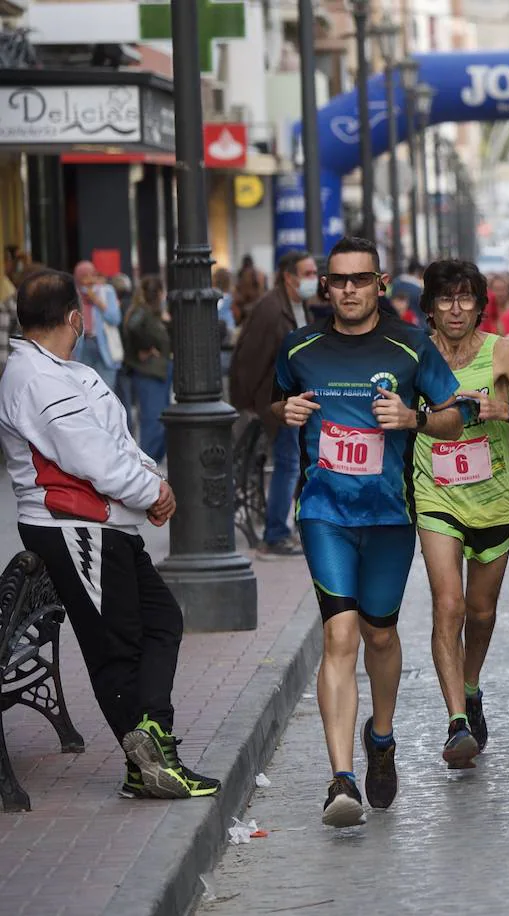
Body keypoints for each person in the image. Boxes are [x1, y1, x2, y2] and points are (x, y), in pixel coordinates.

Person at [0, 269, 219, 800]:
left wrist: (154, 483)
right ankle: (149, 758)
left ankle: (150, 741)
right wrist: (150, 492)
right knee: (116, 649)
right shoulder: (34, 376)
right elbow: (91, 456)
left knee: (161, 620)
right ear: (76, 317)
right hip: (74, 527)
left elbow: (116, 440)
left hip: (100, 526)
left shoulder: (64, 370)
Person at [272, 236, 467, 828]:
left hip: (389, 516)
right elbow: (278, 401)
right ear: (324, 287)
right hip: (324, 512)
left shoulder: (409, 345)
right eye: (339, 280)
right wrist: (286, 412)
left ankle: (380, 737)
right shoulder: (299, 347)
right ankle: (341, 778)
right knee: (340, 637)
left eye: (361, 279)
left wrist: (414, 418)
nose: (349, 289)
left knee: (380, 636)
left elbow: (455, 418)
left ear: (380, 284)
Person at [412, 260, 509, 768]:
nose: (456, 309)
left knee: (481, 611)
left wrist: (501, 411)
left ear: (481, 305)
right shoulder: (415, 354)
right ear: (430, 307)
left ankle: (471, 684)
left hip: (492, 497)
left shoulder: (501, 351)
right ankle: (456, 721)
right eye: (445, 299)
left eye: (466, 299)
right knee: (450, 605)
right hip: (435, 495)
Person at [229, 250, 320, 558]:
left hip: (297, 398)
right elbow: (250, 360)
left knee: (297, 462)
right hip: (279, 401)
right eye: (307, 274)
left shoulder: (297, 304)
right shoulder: (270, 310)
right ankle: (276, 533)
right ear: (289, 277)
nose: (313, 279)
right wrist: (256, 403)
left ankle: (291, 525)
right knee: (289, 464)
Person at [123, 275, 173, 463]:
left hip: (157, 373)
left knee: (159, 422)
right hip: (150, 373)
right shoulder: (143, 312)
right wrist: (145, 348)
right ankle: (146, 464)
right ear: (159, 293)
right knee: (154, 422)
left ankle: (150, 463)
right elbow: (133, 327)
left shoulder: (150, 313)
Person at [72, 261, 122, 388]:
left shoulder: (107, 292)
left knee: (106, 389)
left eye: (91, 274)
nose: (89, 279)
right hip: (82, 345)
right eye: (84, 276)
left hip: (104, 346)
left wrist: (96, 299)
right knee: (84, 390)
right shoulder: (74, 295)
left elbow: (115, 318)